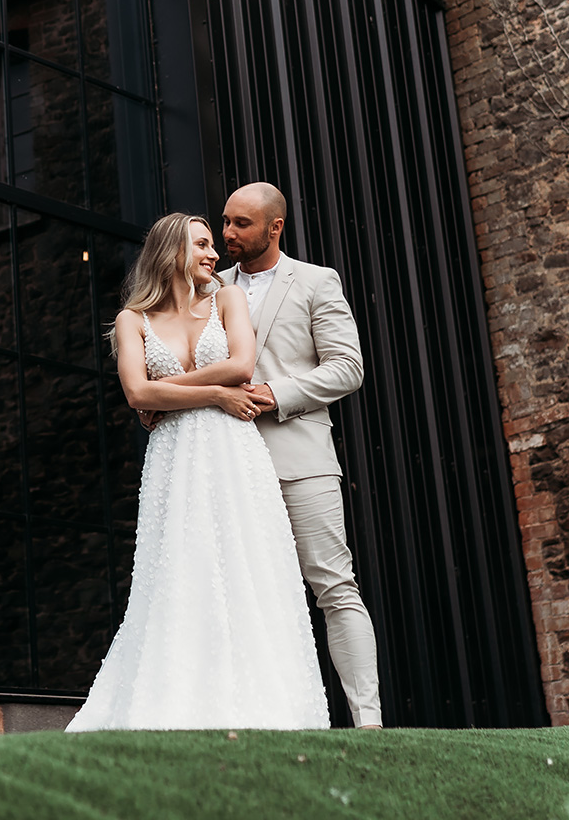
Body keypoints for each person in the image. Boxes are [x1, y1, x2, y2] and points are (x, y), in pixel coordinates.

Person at [66, 212, 330, 731]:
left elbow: (241, 366)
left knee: (249, 566)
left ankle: (270, 707)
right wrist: (212, 395)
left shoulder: (226, 300)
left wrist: (177, 392)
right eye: (203, 245)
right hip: (174, 461)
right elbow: (138, 393)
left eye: (214, 245)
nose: (215, 254)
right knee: (180, 571)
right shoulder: (130, 320)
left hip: (235, 455)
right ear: (171, 251)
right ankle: (179, 700)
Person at [218, 181, 383, 729]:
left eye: (242, 223)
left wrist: (277, 394)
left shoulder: (316, 281)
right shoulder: (209, 288)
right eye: (225, 222)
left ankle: (369, 723)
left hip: (301, 458)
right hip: (228, 461)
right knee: (243, 594)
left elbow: (348, 366)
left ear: (275, 227)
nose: (228, 234)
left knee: (334, 586)